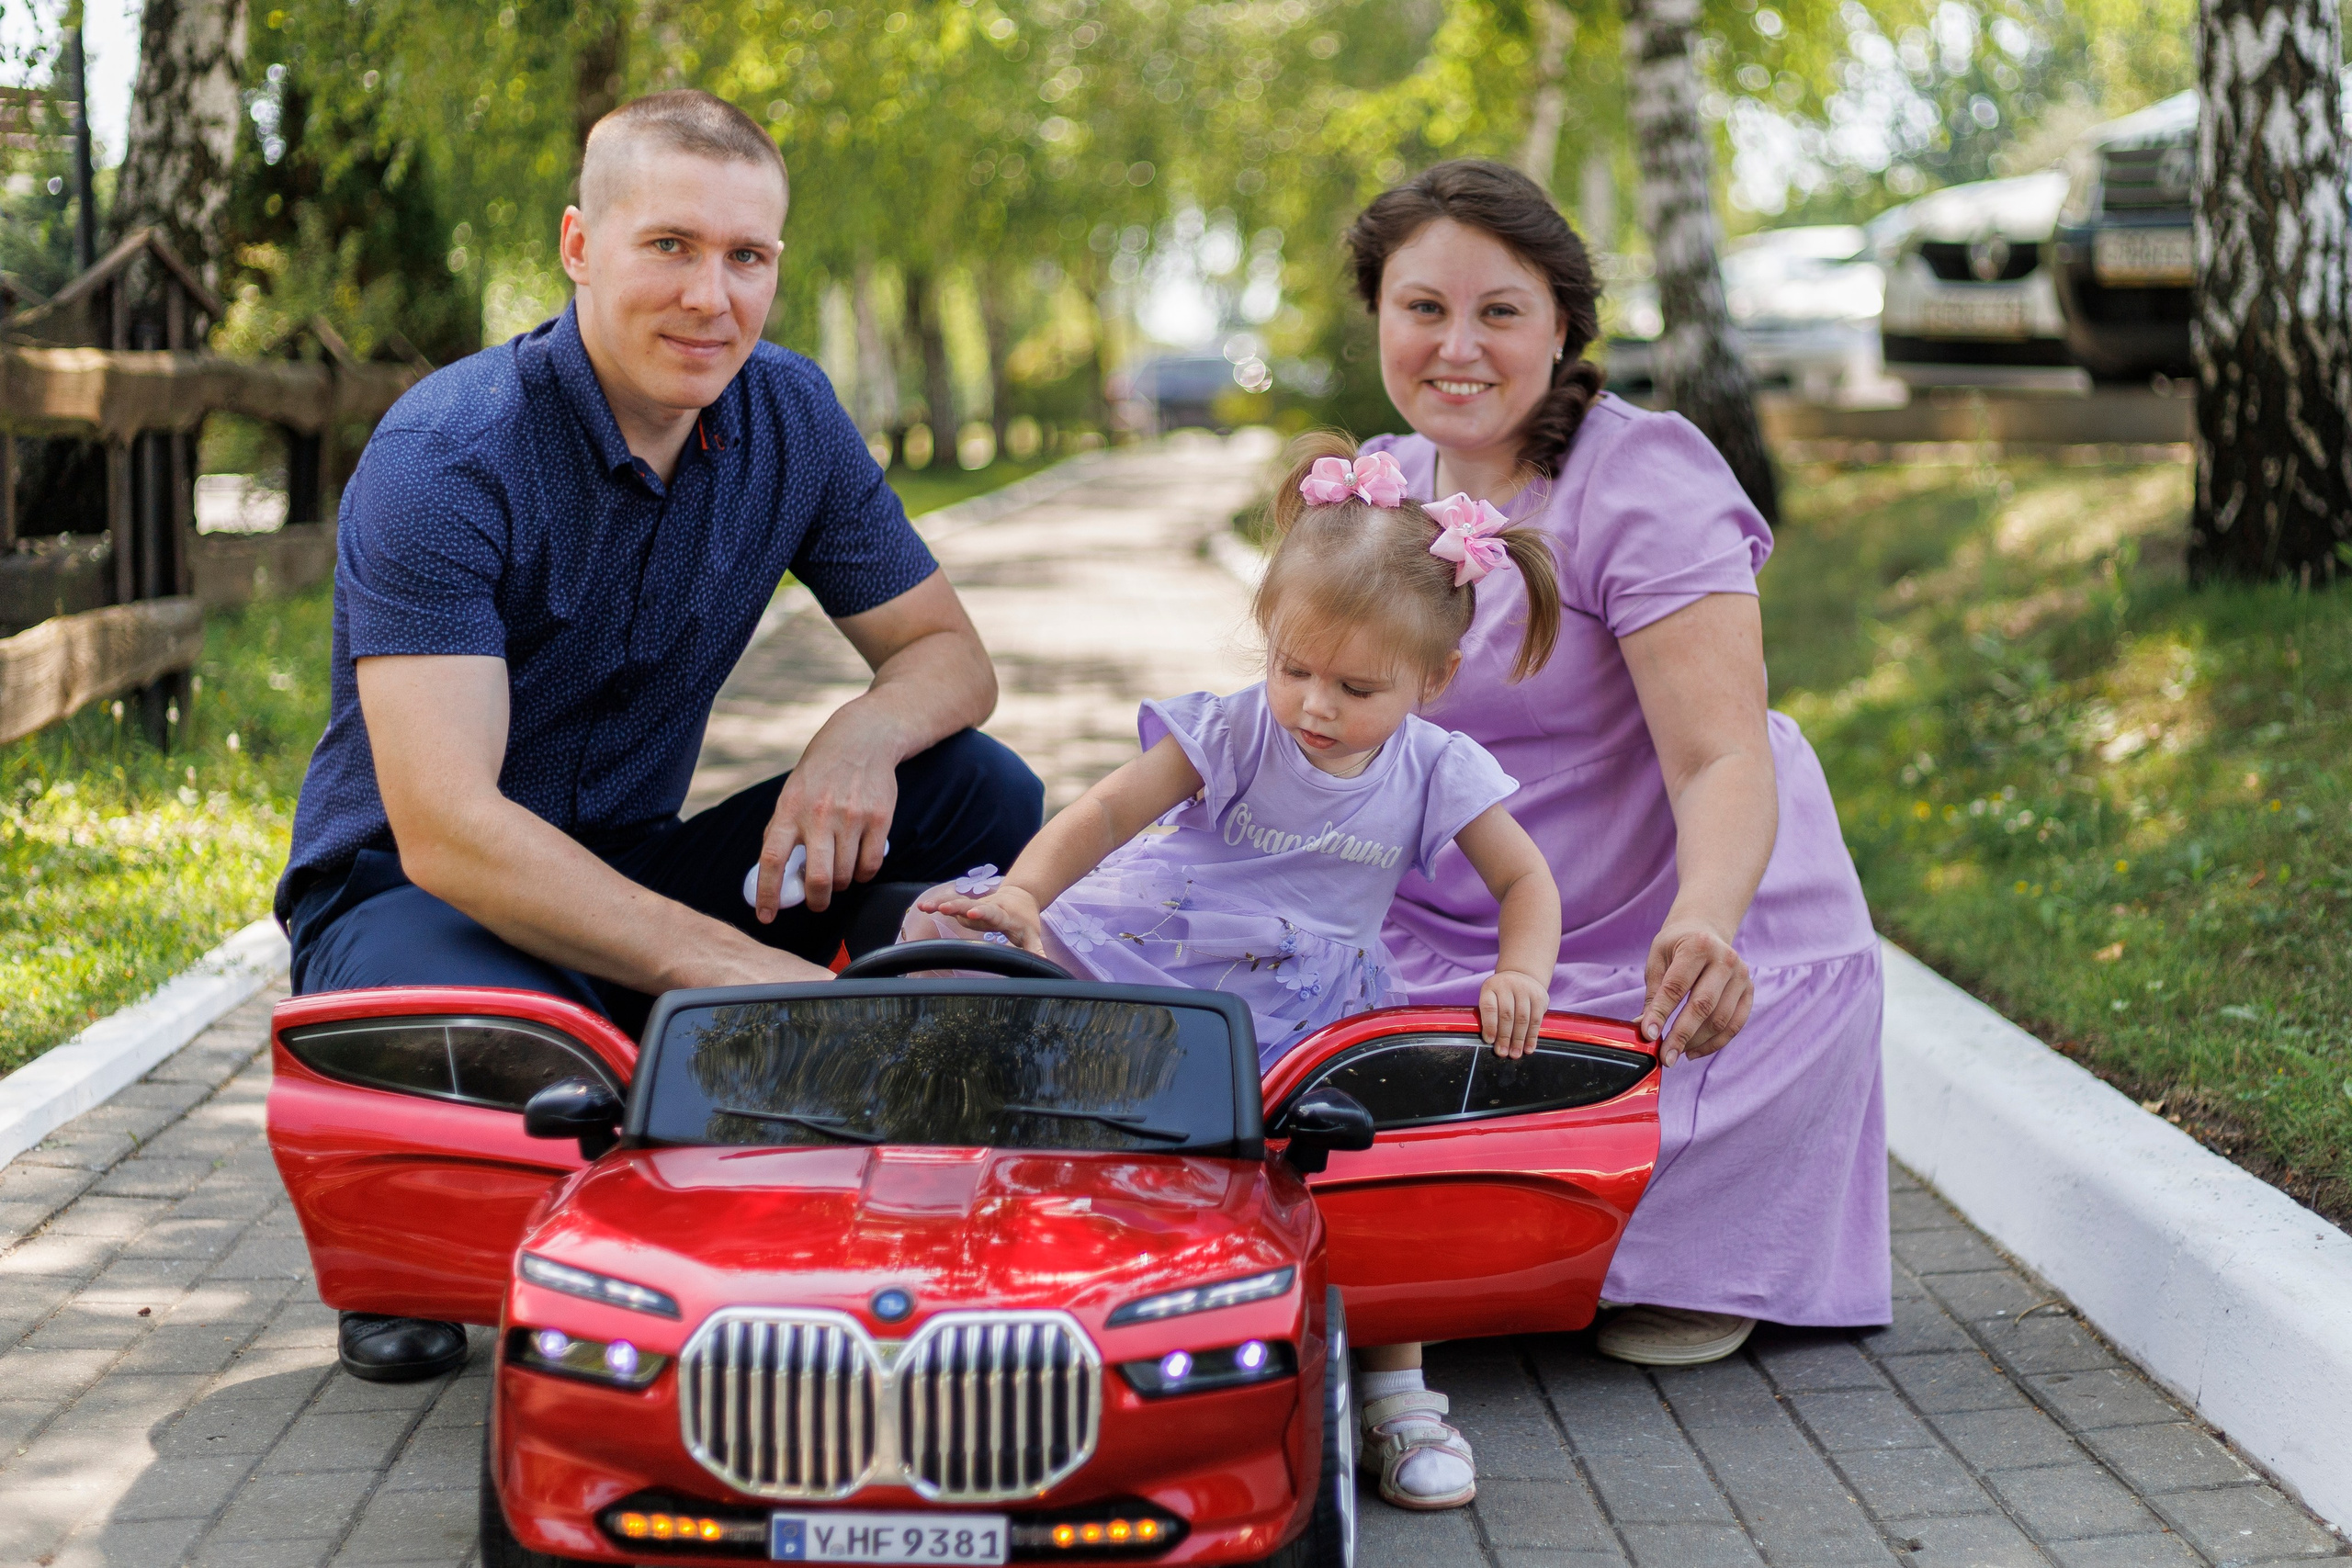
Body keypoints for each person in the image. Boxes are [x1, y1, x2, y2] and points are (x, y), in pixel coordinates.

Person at [273, 91, 1042, 1384]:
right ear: (580, 244)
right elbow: (450, 824)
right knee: (525, 1049)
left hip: (630, 872)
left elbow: (950, 658)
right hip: (416, 894)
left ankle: (898, 1074)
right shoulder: (446, 454)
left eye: (747, 257)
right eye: (671, 246)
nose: (712, 296)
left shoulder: (787, 415)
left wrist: (857, 732)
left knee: (976, 785)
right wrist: (733, 969)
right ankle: (430, 1230)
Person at [1344, 154, 1890, 1499]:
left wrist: (1703, 920)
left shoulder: (1642, 477)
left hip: (1677, 909)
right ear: (1377, 320)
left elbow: (1720, 757)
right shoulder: (1373, 486)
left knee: (1579, 1137)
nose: (1456, 347)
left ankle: (1680, 1232)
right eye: (1423, 308)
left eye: (1501, 311)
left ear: (1564, 327)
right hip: (1463, 921)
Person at [908, 433, 1565, 1086]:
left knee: (1226, 1105)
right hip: (1164, 943)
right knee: (957, 938)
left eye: (1355, 688)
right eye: (1293, 668)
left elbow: (1524, 879)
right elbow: (1110, 812)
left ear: (1435, 677)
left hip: (1297, 1009)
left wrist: (1521, 973)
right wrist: (1027, 890)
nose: (1315, 705)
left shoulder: (1436, 768)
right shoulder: (1236, 730)